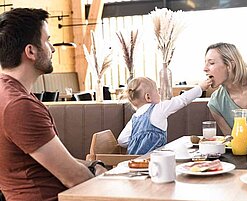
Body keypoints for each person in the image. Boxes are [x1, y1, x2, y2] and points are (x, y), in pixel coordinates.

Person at [0, 8, 106, 201]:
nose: (53, 48)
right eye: (47, 40)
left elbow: (55, 161)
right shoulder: (19, 106)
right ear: (30, 51)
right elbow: (73, 178)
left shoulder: (7, 94)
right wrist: (101, 176)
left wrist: (94, 165)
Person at [118, 77, 212, 154]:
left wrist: (137, 141)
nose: (159, 94)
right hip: (154, 162)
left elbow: (121, 140)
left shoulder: (134, 118)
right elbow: (182, 100)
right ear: (148, 97)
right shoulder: (159, 108)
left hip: (133, 163)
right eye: (157, 91)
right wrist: (200, 87)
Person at [204, 42, 247, 135]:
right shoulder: (215, 103)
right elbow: (231, 140)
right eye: (205, 63)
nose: (205, 68)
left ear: (230, 65)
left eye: (211, 63)